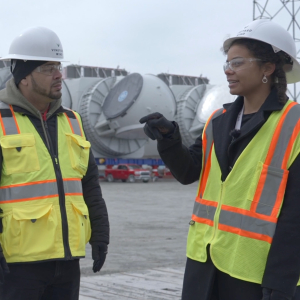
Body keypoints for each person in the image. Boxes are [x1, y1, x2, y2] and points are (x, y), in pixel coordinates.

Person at [140, 19, 300, 300]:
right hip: (204, 267)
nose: (228, 70)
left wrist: (280, 286)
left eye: (237, 63)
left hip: (257, 277)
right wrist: (169, 138)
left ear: (268, 68)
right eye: (226, 63)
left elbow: (295, 218)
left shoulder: (294, 124)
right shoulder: (217, 121)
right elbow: (189, 172)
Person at [0, 26, 109, 300]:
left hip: (67, 262)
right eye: (48, 69)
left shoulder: (72, 121)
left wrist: (100, 235)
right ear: (24, 76)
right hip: (16, 267)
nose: (59, 75)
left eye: (58, 66)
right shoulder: (2, 120)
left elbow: (89, 186)